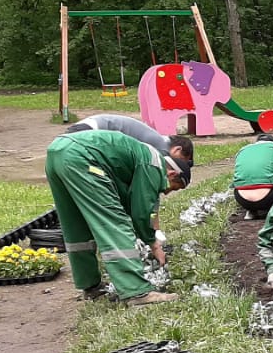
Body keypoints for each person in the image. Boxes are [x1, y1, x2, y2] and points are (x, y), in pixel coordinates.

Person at [45, 129, 191, 305]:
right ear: (172, 174)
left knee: (76, 225)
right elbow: (141, 211)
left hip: (57, 151)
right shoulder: (154, 165)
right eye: (174, 187)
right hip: (82, 156)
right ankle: (136, 292)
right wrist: (153, 242)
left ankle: (90, 285)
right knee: (114, 222)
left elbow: (129, 200)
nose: (167, 192)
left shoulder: (144, 156)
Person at [64, 113, 195, 166]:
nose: (177, 166)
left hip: (85, 128)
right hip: (89, 132)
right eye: (181, 160)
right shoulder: (162, 148)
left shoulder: (155, 139)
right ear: (177, 148)